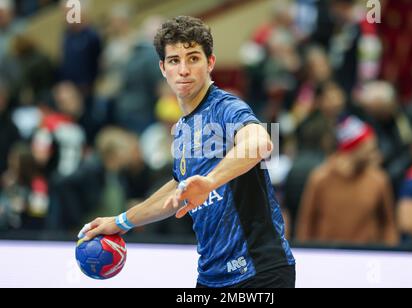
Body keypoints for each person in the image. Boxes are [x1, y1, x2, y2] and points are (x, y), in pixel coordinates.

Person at [78, 16, 295, 288]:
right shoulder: (182, 129)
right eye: (174, 61)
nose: (183, 70)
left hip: (259, 272)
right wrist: (121, 221)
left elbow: (260, 143)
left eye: (193, 58)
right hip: (211, 277)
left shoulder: (226, 107)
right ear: (162, 68)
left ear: (210, 63)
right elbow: (177, 191)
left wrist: (210, 181)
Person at [295, 116, 398, 246]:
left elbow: (388, 224)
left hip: (367, 259)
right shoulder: (320, 178)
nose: (377, 155)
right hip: (327, 257)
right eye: (370, 149)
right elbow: (306, 223)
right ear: (355, 148)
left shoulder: (379, 180)